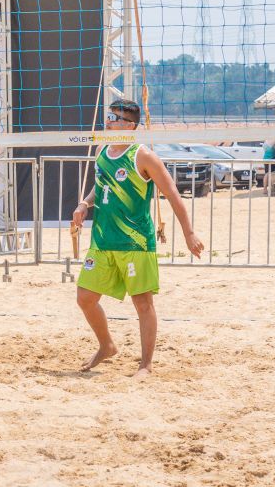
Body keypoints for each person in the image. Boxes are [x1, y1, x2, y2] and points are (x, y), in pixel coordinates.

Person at [71, 98, 205, 378]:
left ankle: (146, 365)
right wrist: (85, 203)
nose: (108, 121)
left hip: (136, 242)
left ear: (130, 126)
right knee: (85, 298)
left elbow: (172, 195)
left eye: (114, 117)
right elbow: (102, 188)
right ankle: (107, 345)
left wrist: (189, 232)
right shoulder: (103, 151)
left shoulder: (143, 156)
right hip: (103, 241)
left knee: (142, 303)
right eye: (109, 116)